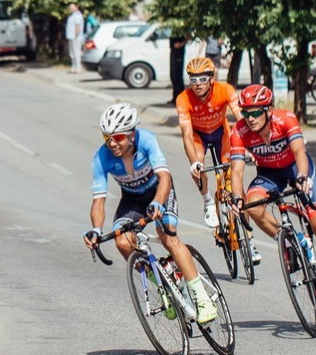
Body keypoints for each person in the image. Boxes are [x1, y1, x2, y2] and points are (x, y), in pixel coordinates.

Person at [83, 103, 218, 324]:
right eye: (107, 137)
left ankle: (202, 298)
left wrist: (157, 203)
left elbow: (164, 177)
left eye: (117, 137)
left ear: (131, 135)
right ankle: (163, 285)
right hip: (132, 200)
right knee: (123, 242)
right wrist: (96, 229)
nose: (112, 143)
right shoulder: (101, 157)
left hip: (160, 192)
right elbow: (98, 201)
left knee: (168, 237)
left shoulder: (147, 140)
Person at [229, 84, 316, 310]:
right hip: (269, 174)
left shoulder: (285, 119)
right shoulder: (239, 131)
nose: (250, 118)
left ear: (268, 110)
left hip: (296, 168)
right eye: (246, 112)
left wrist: (303, 176)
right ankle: (291, 240)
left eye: (256, 112)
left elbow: (299, 152)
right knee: (252, 207)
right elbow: (236, 171)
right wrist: (237, 197)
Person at [174, 58, 263, 261]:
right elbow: (187, 135)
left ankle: (249, 241)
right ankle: (207, 201)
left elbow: (243, 120)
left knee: (236, 186)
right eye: (193, 79)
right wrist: (194, 163)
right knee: (198, 165)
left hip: (221, 134)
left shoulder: (225, 90)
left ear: (211, 79)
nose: (197, 84)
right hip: (199, 136)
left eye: (202, 79)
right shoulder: (183, 98)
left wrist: (252, 148)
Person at [65, 3, 84, 74]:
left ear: (76, 7)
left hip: (76, 37)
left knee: (76, 52)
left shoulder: (78, 15)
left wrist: (76, 36)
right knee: (72, 53)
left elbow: (78, 26)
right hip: (70, 37)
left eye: (71, 7)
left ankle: (78, 67)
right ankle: (73, 67)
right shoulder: (72, 16)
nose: (70, 9)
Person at [168, 35, 186, 104]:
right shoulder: (174, 29)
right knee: (173, 76)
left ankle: (180, 98)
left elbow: (188, 35)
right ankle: (175, 97)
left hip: (179, 52)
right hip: (173, 51)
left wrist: (182, 44)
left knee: (178, 76)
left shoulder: (181, 29)